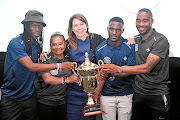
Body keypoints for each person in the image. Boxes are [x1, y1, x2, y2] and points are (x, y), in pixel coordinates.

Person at [0, 10, 75, 120]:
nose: (38, 29)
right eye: (34, 26)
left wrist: (42, 53)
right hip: (11, 98)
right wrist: (59, 66)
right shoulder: (16, 43)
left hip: (30, 97)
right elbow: (31, 66)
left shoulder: (36, 44)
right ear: (26, 26)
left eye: (40, 26)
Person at [101, 8, 170, 120]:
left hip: (157, 94)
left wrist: (119, 69)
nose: (141, 24)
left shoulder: (160, 40)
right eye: (138, 21)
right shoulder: (135, 40)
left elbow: (147, 68)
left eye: (145, 20)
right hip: (138, 93)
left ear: (152, 21)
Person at [65, 13, 105, 120]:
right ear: (71, 28)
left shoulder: (97, 39)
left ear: (86, 25)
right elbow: (56, 52)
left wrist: (129, 40)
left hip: (92, 89)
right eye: (75, 25)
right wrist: (43, 54)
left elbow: (112, 44)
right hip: (74, 91)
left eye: (81, 24)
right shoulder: (67, 43)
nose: (79, 28)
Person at [94, 17, 135, 120]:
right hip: (107, 95)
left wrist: (112, 72)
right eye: (111, 29)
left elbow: (130, 71)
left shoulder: (130, 47)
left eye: (117, 30)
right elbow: (102, 75)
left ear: (122, 31)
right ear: (108, 29)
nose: (114, 32)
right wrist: (96, 93)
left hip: (125, 94)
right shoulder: (99, 50)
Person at [36, 32, 79, 120]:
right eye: (54, 44)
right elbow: (47, 79)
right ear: (50, 46)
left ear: (65, 44)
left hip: (62, 102)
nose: (58, 47)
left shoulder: (69, 59)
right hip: (45, 103)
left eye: (60, 44)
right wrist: (67, 79)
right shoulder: (45, 59)